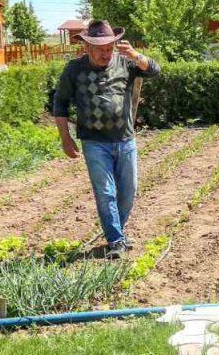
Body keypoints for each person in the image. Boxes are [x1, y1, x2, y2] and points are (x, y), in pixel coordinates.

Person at [51, 19, 160, 260]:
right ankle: (116, 240)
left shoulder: (125, 63)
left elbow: (154, 70)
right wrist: (65, 138)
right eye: (100, 48)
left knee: (129, 191)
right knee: (105, 192)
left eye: (110, 47)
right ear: (87, 47)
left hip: (125, 139)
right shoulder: (74, 69)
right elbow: (59, 102)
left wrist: (135, 55)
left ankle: (116, 233)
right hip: (93, 142)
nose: (106, 53)